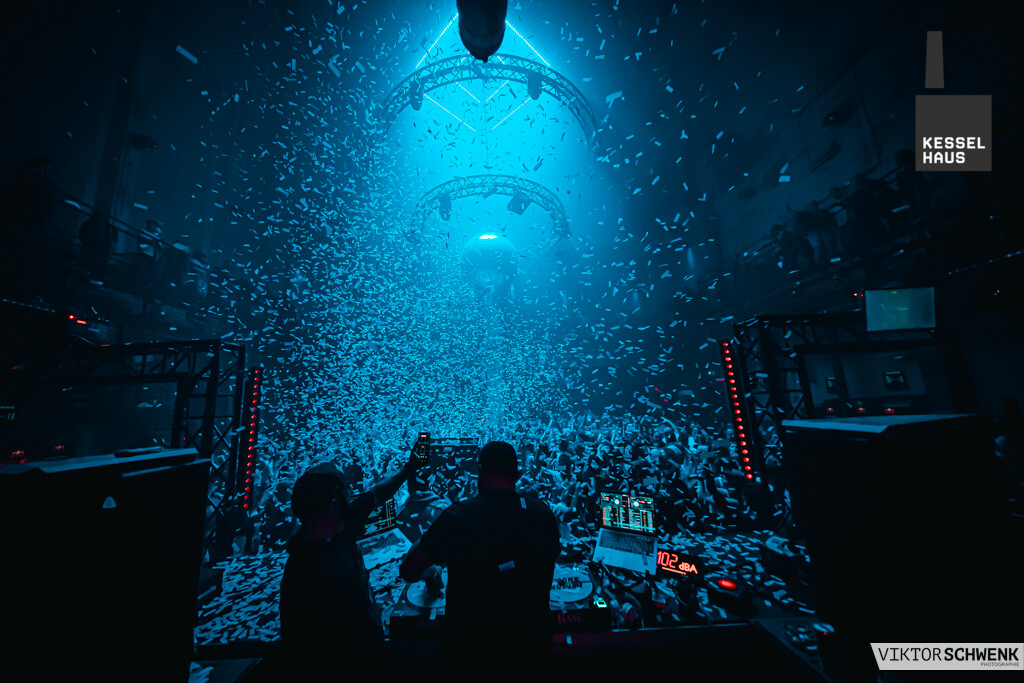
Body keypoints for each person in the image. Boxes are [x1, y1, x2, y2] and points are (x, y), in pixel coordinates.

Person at [399, 441, 561, 660]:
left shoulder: (457, 516)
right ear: (517, 474)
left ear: (479, 472)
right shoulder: (542, 515)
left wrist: (433, 571)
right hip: (531, 643)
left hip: (469, 645)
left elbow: (409, 569)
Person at [278, 458, 414, 666]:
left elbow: (375, 495)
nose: (351, 495)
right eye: (346, 492)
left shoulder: (334, 525)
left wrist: (409, 468)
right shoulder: (316, 572)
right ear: (335, 503)